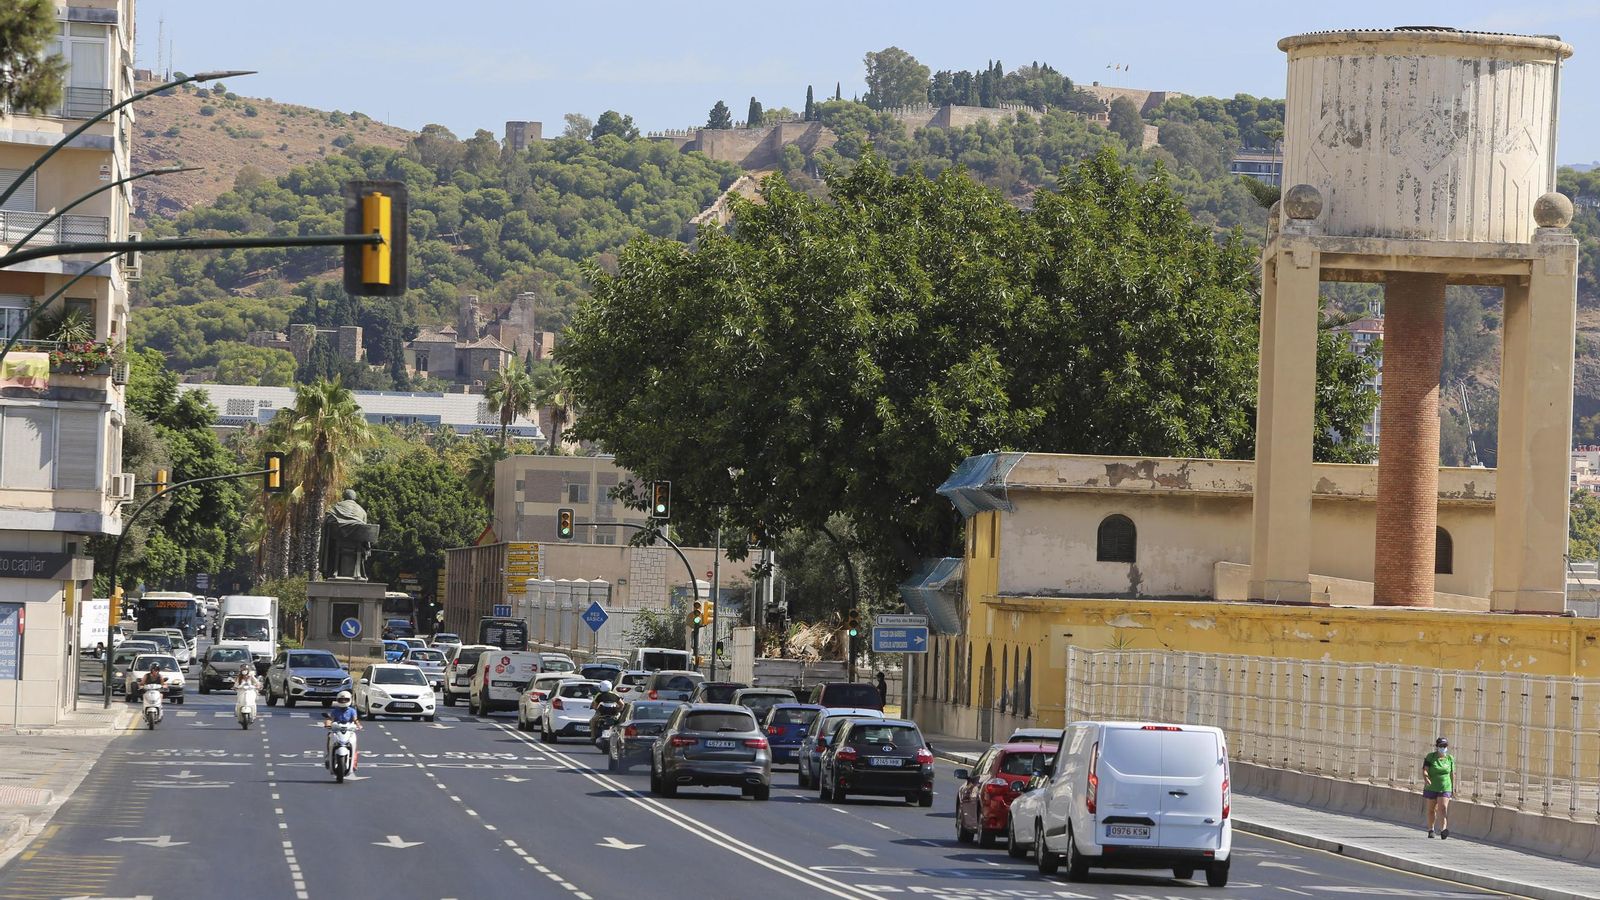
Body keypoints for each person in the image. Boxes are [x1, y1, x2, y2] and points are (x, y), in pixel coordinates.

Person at [1423, 736, 1455, 838]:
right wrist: (1426, 778)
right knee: (1431, 809)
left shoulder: (1450, 758)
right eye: (1441, 746)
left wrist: (1453, 788)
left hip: (1445, 786)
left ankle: (1443, 830)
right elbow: (1425, 769)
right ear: (1437, 747)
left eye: (1445, 746)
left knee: (1443, 808)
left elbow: (1452, 774)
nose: (1443, 748)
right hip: (1432, 787)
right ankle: (1431, 829)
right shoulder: (1430, 757)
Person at [322, 690, 361, 768]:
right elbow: (331, 719)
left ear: (349, 700)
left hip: (349, 731)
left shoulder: (352, 711)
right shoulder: (335, 711)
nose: (343, 701)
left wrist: (358, 725)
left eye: (345, 699)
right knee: (329, 736)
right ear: (338, 700)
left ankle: (354, 763)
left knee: (354, 742)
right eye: (341, 700)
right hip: (337, 730)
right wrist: (328, 724)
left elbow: (355, 720)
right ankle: (329, 755)